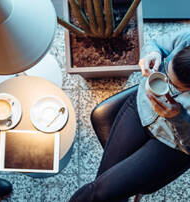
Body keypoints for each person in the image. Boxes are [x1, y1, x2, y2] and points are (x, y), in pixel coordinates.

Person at [70, 31, 190, 202]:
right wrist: (152, 53)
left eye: (175, 86)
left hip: (171, 142)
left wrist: (177, 117)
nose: (167, 84)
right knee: (100, 191)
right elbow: (156, 43)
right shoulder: (187, 39)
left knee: (100, 193)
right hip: (141, 107)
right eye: (166, 73)